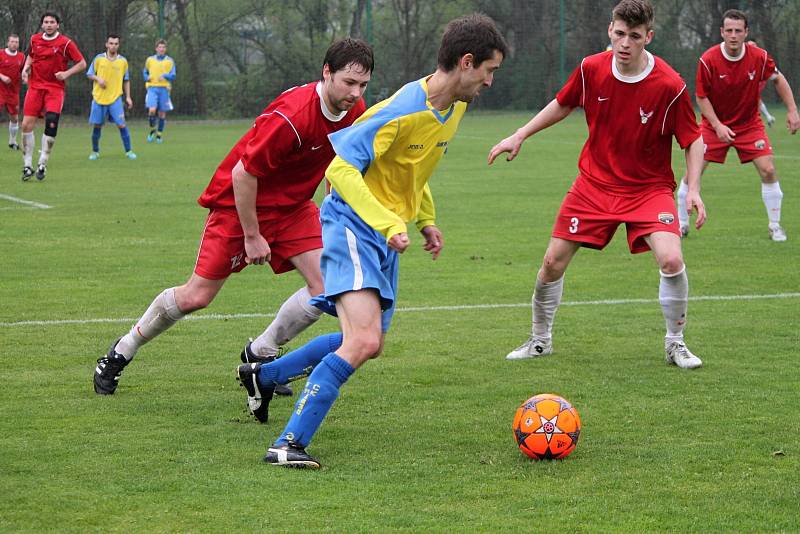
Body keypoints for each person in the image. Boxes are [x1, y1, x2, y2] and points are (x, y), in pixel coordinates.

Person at [236, 13, 508, 469]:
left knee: (370, 338)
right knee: (361, 341)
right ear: (466, 62)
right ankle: (287, 444)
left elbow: (411, 173)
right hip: (353, 226)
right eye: (489, 70)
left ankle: (265, 376)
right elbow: (339, 171)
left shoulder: (454, 109)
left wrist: (425, 220)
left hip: (385, 231)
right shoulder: (404, 109)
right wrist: (386, 222)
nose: (490, 81)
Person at [93, 38, 374, 397]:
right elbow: (243, 175)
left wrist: (334, 210)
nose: (355, 93)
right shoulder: (291, 117)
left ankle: (259, 355)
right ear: (326, 72)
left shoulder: (355, 110)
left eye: (362, 85)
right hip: (240, 205)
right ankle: (120, 352)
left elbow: (339, 162)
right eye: (348, 83)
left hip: (293, 208)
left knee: (325, 288)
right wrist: (252, 235)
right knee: (196, 296)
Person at [488, 0, 706, 370]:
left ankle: (675, 343)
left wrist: (694, 188)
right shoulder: (592, 69)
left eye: (634, 37)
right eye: (619, 34)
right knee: (552, 263)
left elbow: (693, 139)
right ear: (610, 30)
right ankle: (540, 340)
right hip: (594, 185)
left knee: (671, 259)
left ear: (648, 38)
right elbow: (563, 103)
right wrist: (520, 134)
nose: (625, 43)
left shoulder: (669, 85)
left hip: (648, 189)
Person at [676, 10, 800, 242]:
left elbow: (778, 79)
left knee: (769, 170)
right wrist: (718, 125)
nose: (733, 35)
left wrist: (793, 110)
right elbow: (701, 97)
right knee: (693, 173)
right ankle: (681, 224)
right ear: (722, 32)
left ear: (746, 33)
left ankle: (775, 226)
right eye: (729, 31)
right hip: (713, 126)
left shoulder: (759, 57)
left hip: (749, 125)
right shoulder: (708, 59)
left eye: (738, 31)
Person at [20, 11, 86, 181]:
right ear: (42, 24)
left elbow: (82, 63)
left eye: (52, 22)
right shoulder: (35, 39)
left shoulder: (66, 43)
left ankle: (43, 162)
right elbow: (31, 56)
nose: (49, 24)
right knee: (26, 125)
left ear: (58, 25)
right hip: (35, 87)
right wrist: (25, 69)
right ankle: (27, 165)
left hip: (54, 89)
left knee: (51, 121)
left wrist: (66, 73)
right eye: (46, 22)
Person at [86, 34, 136, 160]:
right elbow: (90, 74)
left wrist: (128, 97)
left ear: (118, 45)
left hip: (115, 98)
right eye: (111, 43)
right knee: (97, 125)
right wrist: (99, 79)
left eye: (116, 44)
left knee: (121, 125)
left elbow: (126, 80)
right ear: (107, 44)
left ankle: (129, 151)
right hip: (99, 98)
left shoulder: (123, 61)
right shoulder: (99, 59)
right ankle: (95, 151)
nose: (113, 46)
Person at [143, 39, 175, 143]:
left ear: (165, 49)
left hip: (164, 89)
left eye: (163, 47)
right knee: (152, 110)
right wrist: (146, 77)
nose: (161, 49)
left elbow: (173, 75)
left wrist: (165, 76)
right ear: (156, 48)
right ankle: (152, 130)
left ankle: (159, 135)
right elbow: (145, 72)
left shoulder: (169, 61)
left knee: (162, 113)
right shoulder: (150, 60)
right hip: (152, 88)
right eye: (160, 47)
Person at [0, 34, 25, 150]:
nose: (14, 44)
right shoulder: (1, 54)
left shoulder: (21, 57)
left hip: (13, 93)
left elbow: (23, 71)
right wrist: (2, 77)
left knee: (14, 118)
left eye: (16, 42)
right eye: (12, 41)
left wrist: (25, 78)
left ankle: (12, 141)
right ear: (7, 43)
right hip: (0, 91)